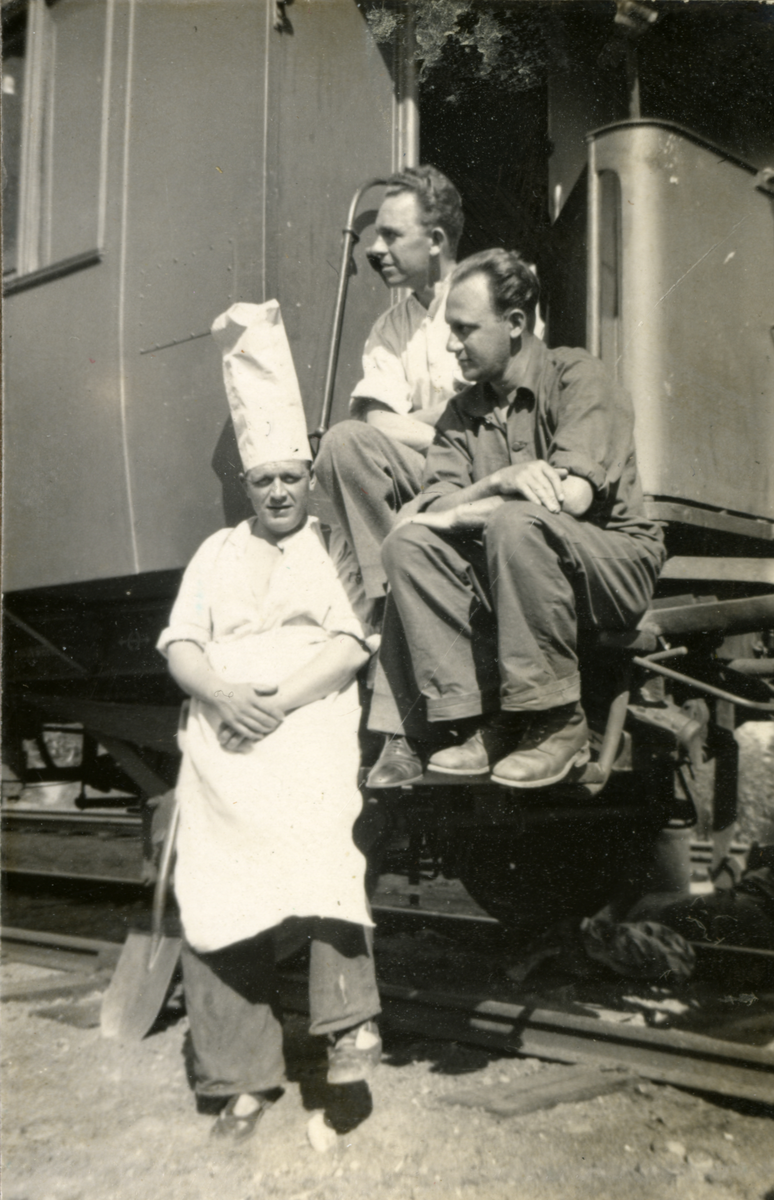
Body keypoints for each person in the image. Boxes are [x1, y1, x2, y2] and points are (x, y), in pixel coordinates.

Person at [158, 300, 380, 1141]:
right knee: (214, 881)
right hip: (224, 736)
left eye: (291, 476)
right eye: (265, 480)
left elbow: (350, 645)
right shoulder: (215, 554)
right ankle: (241, 1075)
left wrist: (275, 703)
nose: (280, 490)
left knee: (323, 848)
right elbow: (182, 645)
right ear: (247, 486)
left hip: (306, 720)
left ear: (308, 479)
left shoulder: (330, 546)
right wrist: (223, 696)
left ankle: (347, 1031)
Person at [367, 248, 665, 789]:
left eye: (465, 329)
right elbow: (433, 510)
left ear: (515, 323)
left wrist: (470, 509)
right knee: (407, 546)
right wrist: (497, 482)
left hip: (611, 564)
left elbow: (571, 499)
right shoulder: (462, 411)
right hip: (519, 561)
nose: (451, 345)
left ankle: (559, 721)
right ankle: (488, 719)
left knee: (513, 523)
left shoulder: (578, 378)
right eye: (449, 329)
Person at [314, 165, 465, 627]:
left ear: (435, 240)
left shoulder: (490, 295)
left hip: (487, 467)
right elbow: (376, 425)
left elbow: (499, 407)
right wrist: (451, 416)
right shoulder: (389, 328)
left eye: (391, 235)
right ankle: (394, 601)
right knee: (341, 443)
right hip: (429, 469)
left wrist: (414, 418)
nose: (375, 250)